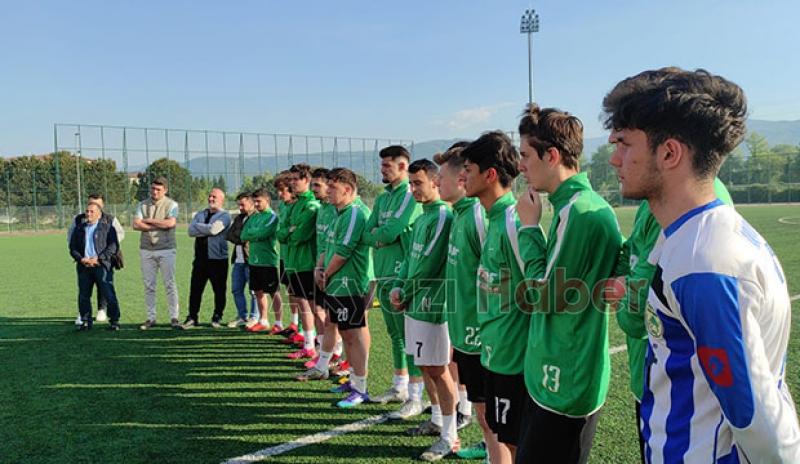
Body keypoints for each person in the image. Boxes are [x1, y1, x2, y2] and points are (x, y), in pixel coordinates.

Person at [603, 67, 800, 463]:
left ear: (669, 153)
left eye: (624, 144)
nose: (614, 158)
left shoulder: (704, 262)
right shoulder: (689, 237)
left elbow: (758, 422)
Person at [513, 104, 622, 464]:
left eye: (526, 155)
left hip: (564, 382)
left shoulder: (580, 211)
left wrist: (530, 229)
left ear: (552, 156)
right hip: (555, 373)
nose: (521, 165)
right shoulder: (572, 206)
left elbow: (541, 297)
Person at [608, 177, 733, 464]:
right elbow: (631, 253)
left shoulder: (684, 200)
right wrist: (622, 281)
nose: (615, 159)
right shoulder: (654, 199)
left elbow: (634, 319)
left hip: (678, 390)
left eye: (626, 150)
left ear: (668, 153)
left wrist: (623, 290)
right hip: (653, 379)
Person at [461, 131, 525, 464]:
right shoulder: (493, 219)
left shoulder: (513, 222)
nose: (462, 176)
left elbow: (536, 292)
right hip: (494, 351)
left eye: (468, 170)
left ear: (489, 175)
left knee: (515, 443)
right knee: (500, 435)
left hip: (513, 357)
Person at [389, 159, 458, 461]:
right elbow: (410, 259)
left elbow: (429, 264)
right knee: (426, 367)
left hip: (433, 305)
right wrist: (398, 285)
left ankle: (450, 437)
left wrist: (404, 291)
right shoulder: (422, 217)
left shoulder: (442, 215)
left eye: (418, 183)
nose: (413, 189)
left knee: (439, 370)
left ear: (434, 182)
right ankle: (437, 420)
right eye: (411, 184)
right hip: (414, 303)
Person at [434, 144, 498, 461]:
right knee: (482, 412)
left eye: (441, 177)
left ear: (462, 178)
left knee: (492, 415)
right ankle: (489, 448)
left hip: (482, 335)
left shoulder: (477, 216)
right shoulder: (458, 215)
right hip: (464, 332)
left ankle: (495, 453)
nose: (436, 183)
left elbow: (500, 277)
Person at [363, 145, 426, 419]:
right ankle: (399, 386)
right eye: (382, 165)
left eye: (387, 165)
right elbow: (367, 233)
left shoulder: (409, 195)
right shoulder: (382, 198)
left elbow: (390, 232)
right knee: (395, 335)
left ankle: (416, 396)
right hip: (383, 273)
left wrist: (381, 235)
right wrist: (380, 235)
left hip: (403, 274)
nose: (382, 170)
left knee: (410, 337)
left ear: (403, 166)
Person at [315, 168, 373, 408]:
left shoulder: (354, 213)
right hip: (337, 283)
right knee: (346, 332)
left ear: (347, 190)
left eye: (333, 187)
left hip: (351, 283)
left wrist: (326, 273)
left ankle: (360, 388)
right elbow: (329, 245)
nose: (328, 191)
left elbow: (344, 251)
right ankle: (354, 381)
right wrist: (320, 268)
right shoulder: (339, 213)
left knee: (353, 334)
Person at [296, 167, 346, 380]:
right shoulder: (323, 209)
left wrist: (326, 269)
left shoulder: (340, 210)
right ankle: (324, 354)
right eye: (313, 185)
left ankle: (337, 354)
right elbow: (323, 243)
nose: (314, 189)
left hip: (337, 272)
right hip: (320, 267)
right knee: (320, 313)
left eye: (318, 185)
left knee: (337, 319)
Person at [280, 163, 321, 359]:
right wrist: (289, 231)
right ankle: (309, 345)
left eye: (296, 179)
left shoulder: (311, 205)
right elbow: (281, 232)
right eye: (291, 179)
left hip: (308, 263)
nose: (292, 183)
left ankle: (322, 349)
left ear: (307, 180)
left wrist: (290, 232)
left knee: (315, 309)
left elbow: (300, 235)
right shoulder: (295, 204)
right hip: (293, 262)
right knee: (303, 305)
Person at [67, 193, 125, 326]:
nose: (88, 214)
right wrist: (81, 259)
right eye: (87, 211)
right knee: (83, 295)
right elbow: (72, 246)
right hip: (84, 265)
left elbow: (113, 245)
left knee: (108, 292)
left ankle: (114, 320)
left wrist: (100, 258)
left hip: (102, 264)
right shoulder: (79, 226)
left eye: (92, 211)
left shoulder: (108, 226)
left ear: (99, 212)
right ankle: (85, 320)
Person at [133, 177, 181, 330]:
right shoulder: (142, 204)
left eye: (158, 189)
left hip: (166, 249)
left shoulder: (172, 205)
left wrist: (148, 221)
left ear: (165, 190)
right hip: (146, 249)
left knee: (169, 284)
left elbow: (170, 223)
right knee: (149, 285)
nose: (154, 192)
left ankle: (174, 317)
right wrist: (159, 225)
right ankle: (151, 318)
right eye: (153, 188)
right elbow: (136, 224)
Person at [182, 188, 232, 329]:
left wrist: (198, 226)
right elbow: (190, 231)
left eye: (214, 197)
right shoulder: (200, 214)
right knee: (195, 289)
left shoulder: (225, 216)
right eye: (210, 196)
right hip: (200, 258)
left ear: (221, 200)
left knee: (219, 290)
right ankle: (192, 317)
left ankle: (217, 316)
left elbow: (214, 230)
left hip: (218, 259)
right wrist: (206, 228)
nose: (211, 199)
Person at [240, 188, 281, 333]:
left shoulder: (272, 217)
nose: (256, 204)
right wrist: (255, 234)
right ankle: (263, 320)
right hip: (253, 260)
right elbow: (243, 235)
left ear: (267, 200)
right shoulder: (253, 217)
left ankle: (279, 323)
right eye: (254, 201)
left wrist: (253, 234)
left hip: (267, 260)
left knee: (274, 292)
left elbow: (264, 233)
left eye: (259, 201)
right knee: (258, 291)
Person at [226, 192, 258, 328]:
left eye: (242, 205)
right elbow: (229, 235)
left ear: (251, 203)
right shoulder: (239, 218)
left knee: (254, 291)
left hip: (251, 259)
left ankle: (254, 317)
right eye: (239, 205)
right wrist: (242, 237)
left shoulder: (257, 217)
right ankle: (242, 316)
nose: (240, 207)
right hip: (238, 260)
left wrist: (241, 235)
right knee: (236, 290)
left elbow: (251, 236)